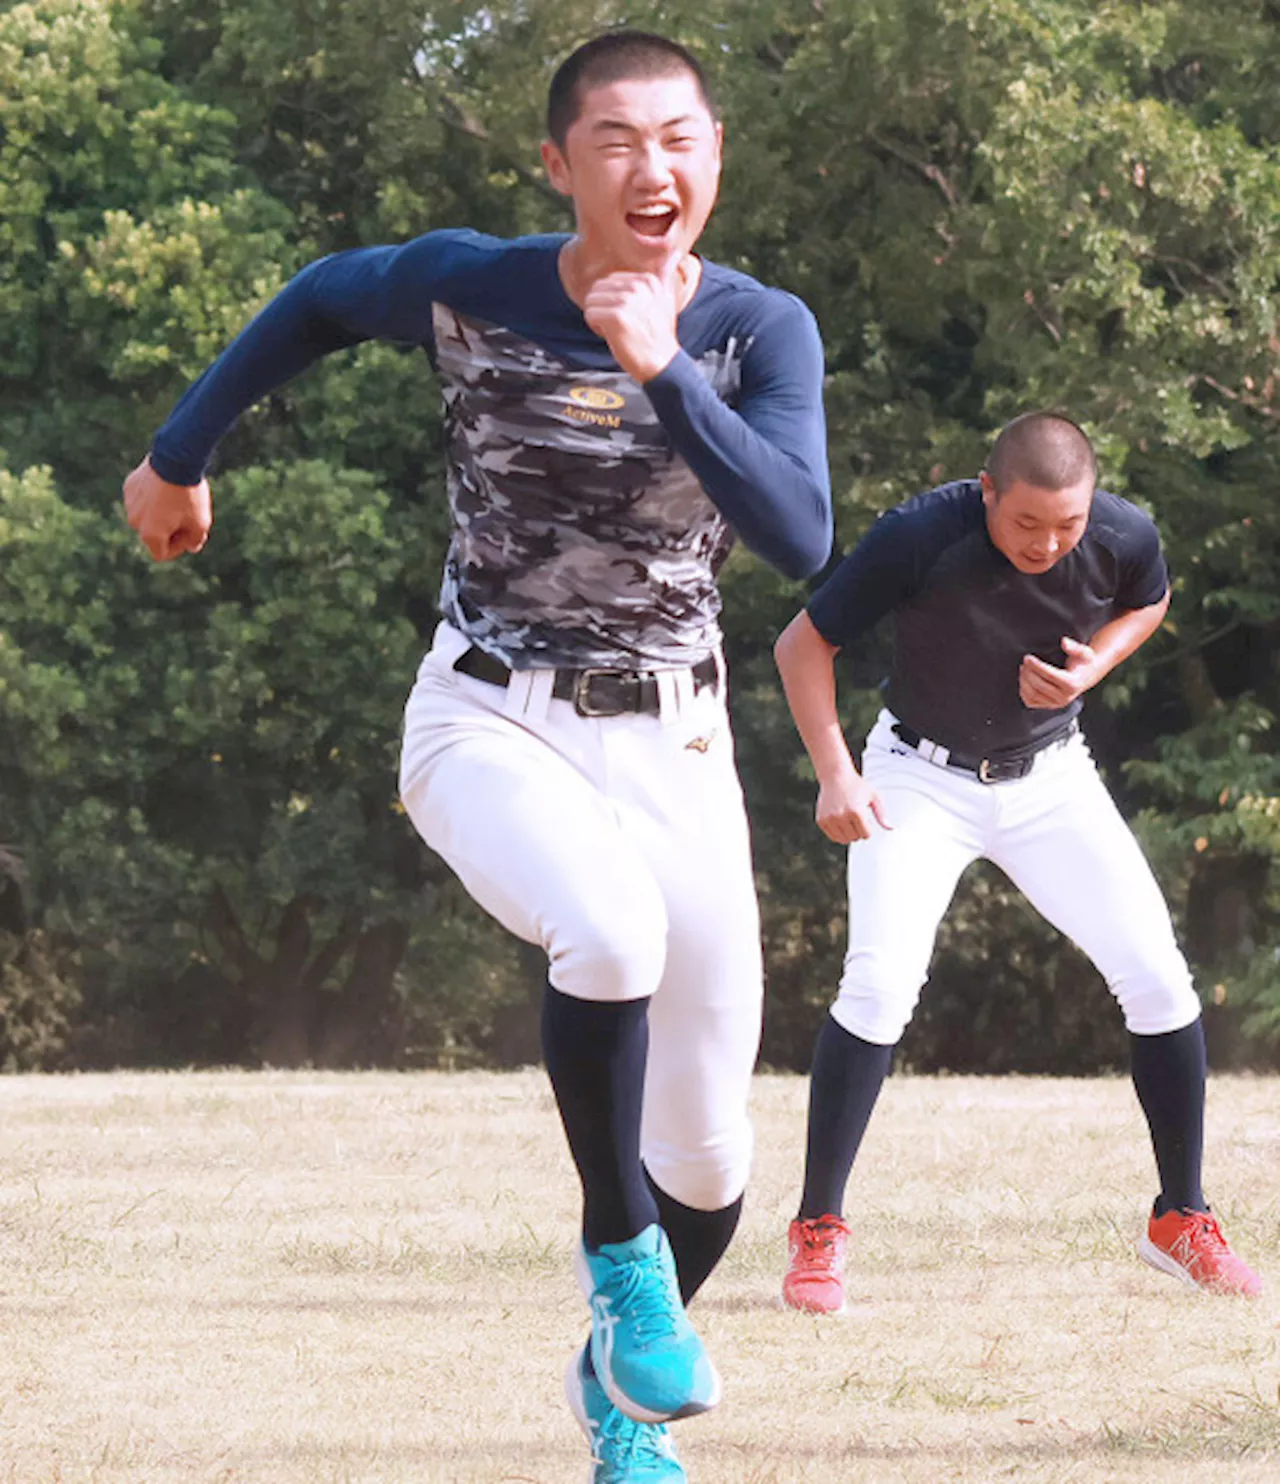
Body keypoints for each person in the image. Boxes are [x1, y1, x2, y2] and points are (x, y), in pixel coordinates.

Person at [122, 29, 831, 1482]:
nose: (656, 168)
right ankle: (619, 1265)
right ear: (560, 163)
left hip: (679, 741)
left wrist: (668, 376)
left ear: (715, 156)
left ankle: (612, 1393)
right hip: (490, 714)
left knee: (712, 1168)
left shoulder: (761, 330)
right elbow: (322, 297)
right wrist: (178, 454)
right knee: (608, 932)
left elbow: (803, 538)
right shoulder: (475, 282)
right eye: (619, 141)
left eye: (682, 138)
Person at [773, 411, 1259, 1317]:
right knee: (878, 987)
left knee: (1159, 980)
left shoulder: (1123, 532)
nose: (1048, 543)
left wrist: (1091, 671)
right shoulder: (921, 532)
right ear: (988, 491)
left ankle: (1181, 1218)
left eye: (1066, 527)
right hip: (918, 776)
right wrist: (835, 774)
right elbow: (803, 645)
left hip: (1050, 778)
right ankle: (818, 1230)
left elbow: (1148, 601)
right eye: (1026, 522)